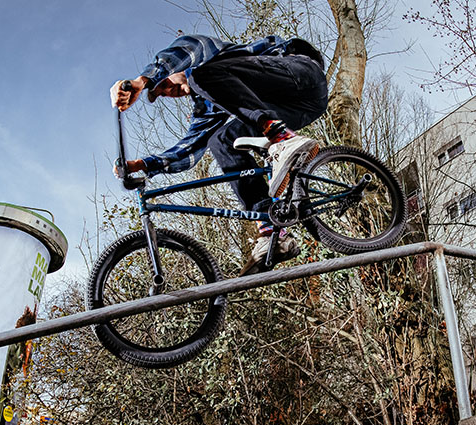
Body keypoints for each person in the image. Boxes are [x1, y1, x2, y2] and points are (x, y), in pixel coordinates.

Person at [110, 34, 328, 276]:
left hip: (300, 73)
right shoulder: (209, 103)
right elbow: (191, 148)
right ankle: (270, 229)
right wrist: (142, 164)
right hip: (292, 109)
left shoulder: (207, 61)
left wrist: (143, 80)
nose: (170, 91)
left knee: (201, 76)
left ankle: (282, 138)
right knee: (221, 140)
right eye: (164, 94)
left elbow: (191, 48)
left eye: (166, 84)